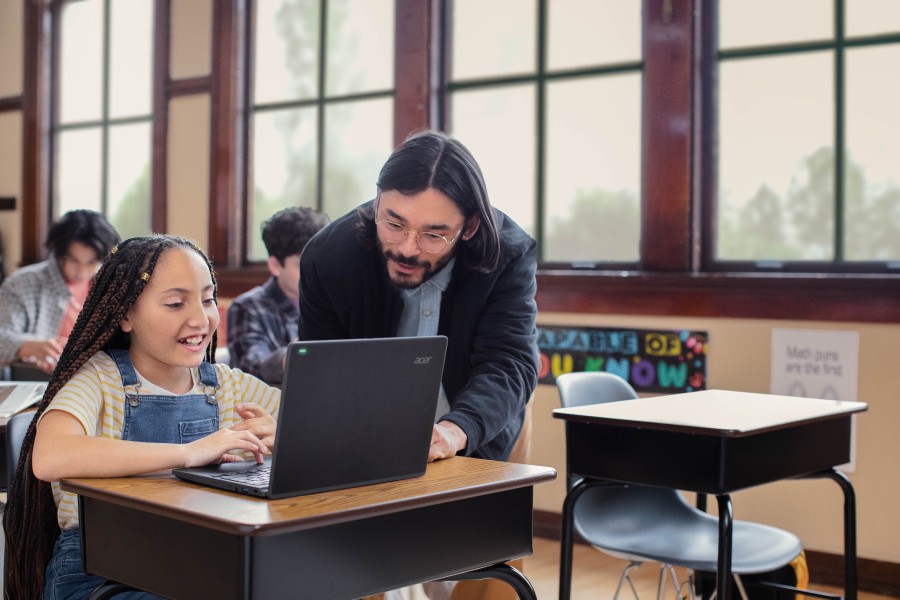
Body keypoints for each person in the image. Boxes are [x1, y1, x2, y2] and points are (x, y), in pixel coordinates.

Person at [3, 235, 281, 599]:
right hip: (99, 574)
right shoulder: (100, 379)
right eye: (175, 303)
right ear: (125, 314)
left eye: (208, 299)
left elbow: (323, 428)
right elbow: (50, 455)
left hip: (196, 562)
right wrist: (187, 454)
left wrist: (285, 435)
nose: (200, 317)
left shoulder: (228, 385)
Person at [298, 129, 539, 465]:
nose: (407, 248)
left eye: (433, 234)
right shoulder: (328, 258)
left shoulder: (507, 254)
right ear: (378, 200)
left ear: (468, 228)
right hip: (371, 439)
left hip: (480, 429)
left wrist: (455, 430)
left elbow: (508, 363)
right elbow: (323, 372)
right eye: (394, 224)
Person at [0, 209, 120, 375]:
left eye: (91, 262)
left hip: (100, 377)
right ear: (59, 252)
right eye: (74, 260)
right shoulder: (22, 283)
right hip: (40, 380)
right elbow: (2, 337)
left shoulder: (111, 286)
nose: (82, 271)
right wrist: (29, 346)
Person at [227, 206, 330, 385]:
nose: (315, 272)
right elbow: (249, 369)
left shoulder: (332, 301)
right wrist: (295, 355)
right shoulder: (248, 307)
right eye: (301, 264)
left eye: (320, 261)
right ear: (275, 265)